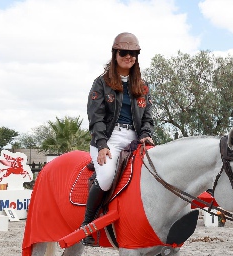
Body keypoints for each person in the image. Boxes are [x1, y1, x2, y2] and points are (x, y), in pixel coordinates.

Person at [81, 32, 154, 245]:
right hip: (108, 139)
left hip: (135, 138)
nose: (128, 57)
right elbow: (96, 117)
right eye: (124, 52)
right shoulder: (101, 83)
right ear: (115, 54)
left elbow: (148, 117)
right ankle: (87, 224)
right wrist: (102, 144)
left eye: (133, 53)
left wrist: (146, 135)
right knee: (105, 180)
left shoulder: (143, 86)